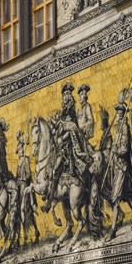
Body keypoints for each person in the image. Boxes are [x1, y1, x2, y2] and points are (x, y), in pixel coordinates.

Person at [42, 82, 92, 212]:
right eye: (64, 94)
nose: (65, 98)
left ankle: (49, 200)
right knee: (50, 166)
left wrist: (61, 138)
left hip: (68, 148)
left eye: (67, 94)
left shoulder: (70, 117)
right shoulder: (66, 115)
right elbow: (60, 128)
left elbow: (69, 130)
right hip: (63, 147)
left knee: (55, 170)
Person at [106, 102, 132, 241]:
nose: (118, 114)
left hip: (122, 166)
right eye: (117, 112)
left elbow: (124, 150)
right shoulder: (117, 128)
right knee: (126, 194)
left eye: (120, 112)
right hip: (116, 165)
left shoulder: (124, 128)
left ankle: (113, 230)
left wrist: (116, 151)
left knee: (115, 198)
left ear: (123, 114)